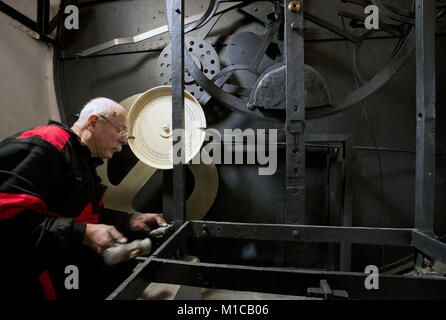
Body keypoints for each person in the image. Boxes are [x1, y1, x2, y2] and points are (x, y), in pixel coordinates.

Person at [0, 97, 167, 300]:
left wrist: (131, 221)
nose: (124, 140)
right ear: (93, 123)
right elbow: (9, 223)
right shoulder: (45, 146)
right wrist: (82, 233)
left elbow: (90, 217)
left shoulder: (83, 161)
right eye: (121, 130)